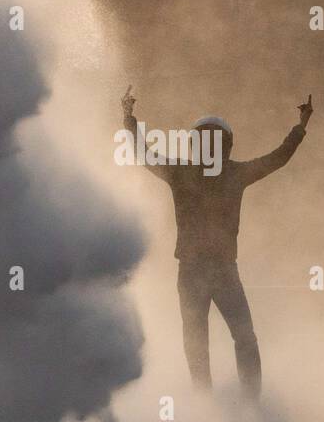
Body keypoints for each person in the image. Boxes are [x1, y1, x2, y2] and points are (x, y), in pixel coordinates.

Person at [121, 87, 313, 401]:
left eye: (216, 142)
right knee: (214, 340)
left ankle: (239, 403)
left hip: (216, 270)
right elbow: (144, 155)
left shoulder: (213, 173)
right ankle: (212, 406)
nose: (212, 148)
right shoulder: (201, 172)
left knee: (229, 338)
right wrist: (129, 120)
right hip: (202, 270)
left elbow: (278, 158)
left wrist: (301, 126)